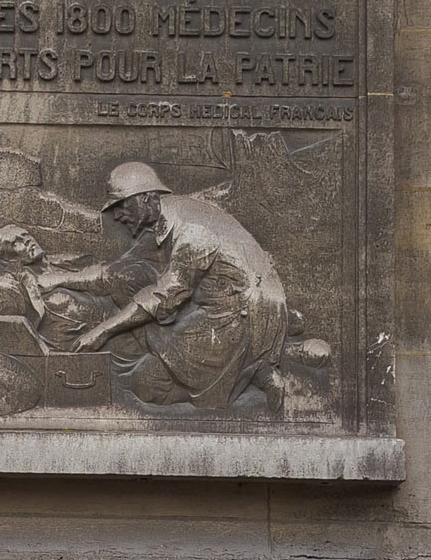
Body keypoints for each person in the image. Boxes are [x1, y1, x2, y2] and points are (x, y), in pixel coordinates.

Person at [51, 162, 289, 411]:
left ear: (145, 198)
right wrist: (59, 279)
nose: (118, 215)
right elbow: (115, 272)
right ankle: (242, 371)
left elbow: (167, 295)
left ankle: (253, 373)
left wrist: (103, 331)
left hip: (241, 318)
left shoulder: (192, 231)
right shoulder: (164, 220)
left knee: (146, 384)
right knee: (127, 282)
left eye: (121, 205)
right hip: (220, 310)